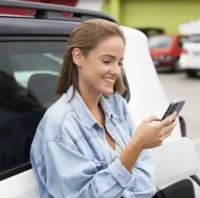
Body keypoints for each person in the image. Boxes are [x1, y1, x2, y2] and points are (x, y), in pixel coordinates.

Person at [30, 19, 177, 198]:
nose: (116, 71)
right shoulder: (60, 126)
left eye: (120, 63)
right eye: (107, 61)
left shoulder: (116, 105)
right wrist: (137, 145)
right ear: (78, 56)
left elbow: (146, 183)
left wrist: (138, 147)